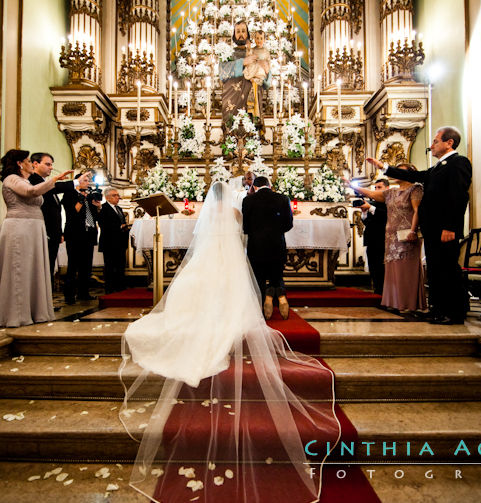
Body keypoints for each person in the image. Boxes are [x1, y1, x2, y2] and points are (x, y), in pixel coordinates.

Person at [119, 181, 339, 503]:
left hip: (213, 252)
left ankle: (233, 303)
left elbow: (214, 234)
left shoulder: (224, 210)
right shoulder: (242, 207)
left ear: (209, 198)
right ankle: (274, 296)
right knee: (252, 282)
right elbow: (251, 230)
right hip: (259, 248)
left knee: (201, 282)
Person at [367, 126, 472, 324]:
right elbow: (414, 176)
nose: (431, 145)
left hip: (444, 229)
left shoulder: (458, 163)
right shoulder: (437, 168)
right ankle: (439, 310)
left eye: (435, 141)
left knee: (447, 269)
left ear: (449, 143)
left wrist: (450, 227)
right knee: (435, 269)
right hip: (432, 229)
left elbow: (458, 196)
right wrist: (384, 167)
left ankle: (455, 313)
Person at [0, 149, 73, 328]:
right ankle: (16, 314)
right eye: (28, 161)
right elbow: (31, 192)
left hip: (32, 228)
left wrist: (53, 181)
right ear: (19, 163)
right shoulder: (12, 179)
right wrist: (55, 179)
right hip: (19, 228)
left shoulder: (23, 179)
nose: (31, 163)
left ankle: (33, 310)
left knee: (32, 269)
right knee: (19, 269)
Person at [355, 167, 426, 312]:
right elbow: (371, 193)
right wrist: (351, 185)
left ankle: (409, 303)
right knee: (393, 269)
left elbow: (417, 210)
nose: (394, 173)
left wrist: (413, 230)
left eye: (399, 171)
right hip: (391, 236)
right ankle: (395, 302)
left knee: (406, 269)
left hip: (406, 234)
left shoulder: (415, 189)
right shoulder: (391, 192)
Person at [242, 176, 293, 320]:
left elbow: (245, 227)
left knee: (259, 278)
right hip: (277, 244)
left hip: (256, 246)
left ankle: (261, 307)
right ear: (269, 185)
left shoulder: (248, 200)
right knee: (276, 276)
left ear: (255, 187)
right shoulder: (283, 199)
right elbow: (289, 224)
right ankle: (279, 300)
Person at [28, 152, 77, 284]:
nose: (51, 168)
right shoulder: (34, 181)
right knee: (43, 268)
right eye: (47, 164)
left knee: (48, 267)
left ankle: (46, 303)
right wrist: (76, 182)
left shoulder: (45, 183)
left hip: (52, 233)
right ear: (35, 164)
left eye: (51, 165)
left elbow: (55, 211)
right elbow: (44, 210)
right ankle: (42, 302)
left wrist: (58, 232)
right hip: (43, 232)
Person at [62, 170, 101, 304]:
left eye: (88, 180)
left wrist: (97, 207)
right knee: (73, 265)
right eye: (84, 180)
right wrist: (82, 198)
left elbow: (94, 217)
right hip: (75, 233)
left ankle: (83, 293)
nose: (87, 182)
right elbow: (72, 212)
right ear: (77, 182)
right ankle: (69, 295)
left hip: (88, 234)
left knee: (86, 266)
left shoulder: (89, 196)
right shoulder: (70, 194)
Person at [220, 21, 269, 125]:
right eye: (238, 31)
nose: (241, 34)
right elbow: (222, 72)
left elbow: (266, 81)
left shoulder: (256, 52)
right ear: (234, 35)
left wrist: (267, 71)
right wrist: (243, 62)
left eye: (243, 31)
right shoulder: (228, 54)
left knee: (252, 128)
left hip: (251, 98)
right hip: (232, 99)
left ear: (247, 34)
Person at [354, 179, 389, 295]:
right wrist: (364, 212)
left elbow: (386, 217)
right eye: (375, 188)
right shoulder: (372, 203)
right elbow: (367, 222)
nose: (376, 190)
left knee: (382, 267)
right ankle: (377, 290)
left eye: (379, 187)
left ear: (387, 188)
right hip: (371, 238)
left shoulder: (389, 201)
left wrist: (371, 208)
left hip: (383, 238)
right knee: (373, 266)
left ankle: (384, 292)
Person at [98, 187, 130, 293]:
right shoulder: (103, 208)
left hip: (120, 242)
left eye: (117, 195)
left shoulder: (119, 209)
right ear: (107, 197)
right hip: (109, 242)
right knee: (110, 266)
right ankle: (110, 288)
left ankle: (120, 286)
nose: (117, 197)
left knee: (120, 265)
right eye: (114, 195)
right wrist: (119, 227)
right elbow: (103, 224)